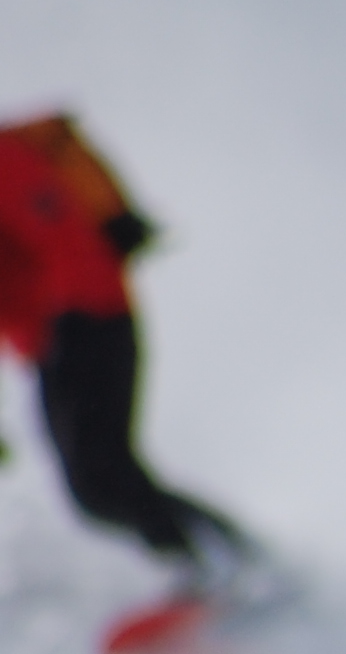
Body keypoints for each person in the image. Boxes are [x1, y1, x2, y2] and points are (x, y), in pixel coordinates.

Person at [0, 112, 255, 587]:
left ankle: (230, 568)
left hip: (88, 320)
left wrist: (74, 317)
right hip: (54, 343)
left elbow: (67, 236)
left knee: (103, 475)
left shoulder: (5, 162)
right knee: (95, 491)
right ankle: (225, 564)